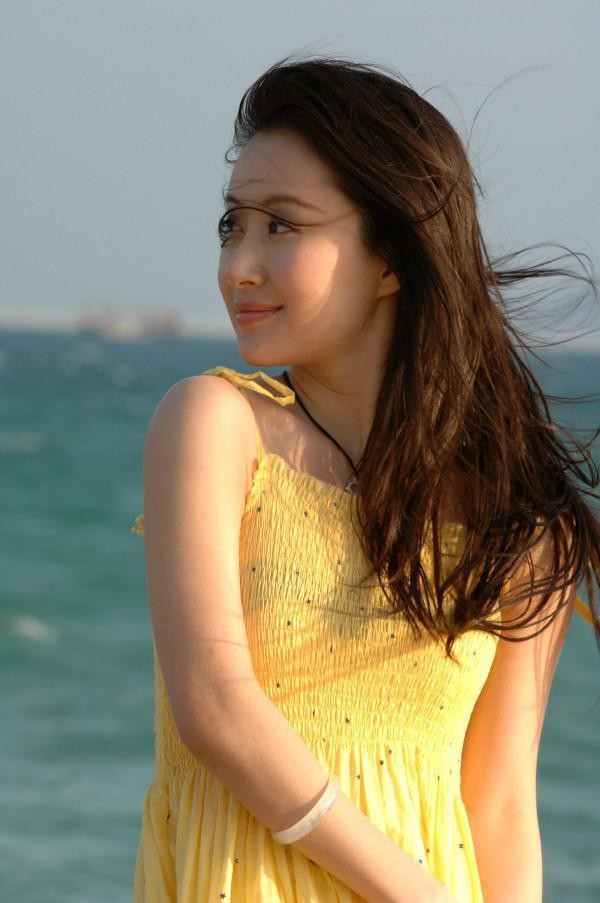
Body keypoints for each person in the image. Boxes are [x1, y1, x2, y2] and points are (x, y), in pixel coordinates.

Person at [130, 53, 600, 902]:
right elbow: (214, 710)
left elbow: (500, 804)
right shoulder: (213, 425)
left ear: (393, 256)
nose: (238, 265)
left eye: (282, 225)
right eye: (233, 225)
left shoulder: (518, 519)